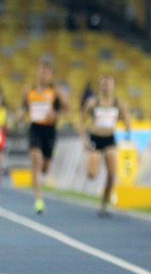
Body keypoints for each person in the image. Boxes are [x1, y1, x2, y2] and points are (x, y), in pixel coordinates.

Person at [80, 73, 132, 216]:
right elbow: (81, 123)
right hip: (95, 139)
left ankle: (104, 204)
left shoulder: (118, 103)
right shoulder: (92, 103)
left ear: (113, 86)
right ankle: (90, 167)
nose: (106, 86)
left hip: (110, 139)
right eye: (103, 83)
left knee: (112, 173)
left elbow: (127, 121)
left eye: (108, 83)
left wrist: (127, 127)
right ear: (99, 86)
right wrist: (84, 140)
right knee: (92, 175)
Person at [21, 57, 69, 214]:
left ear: (51, 74)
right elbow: (23, 108)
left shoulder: (56, 91)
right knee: (36, 161)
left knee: (45, 168)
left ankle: (49, 158)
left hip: (49, 131)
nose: (43, 74)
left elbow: (67, 109)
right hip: (35, 128)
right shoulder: (29, 91)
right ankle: (38, 200)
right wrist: (21, 114)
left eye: (46, 71)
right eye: (41, 70)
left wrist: (56, 114)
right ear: (37, 72)